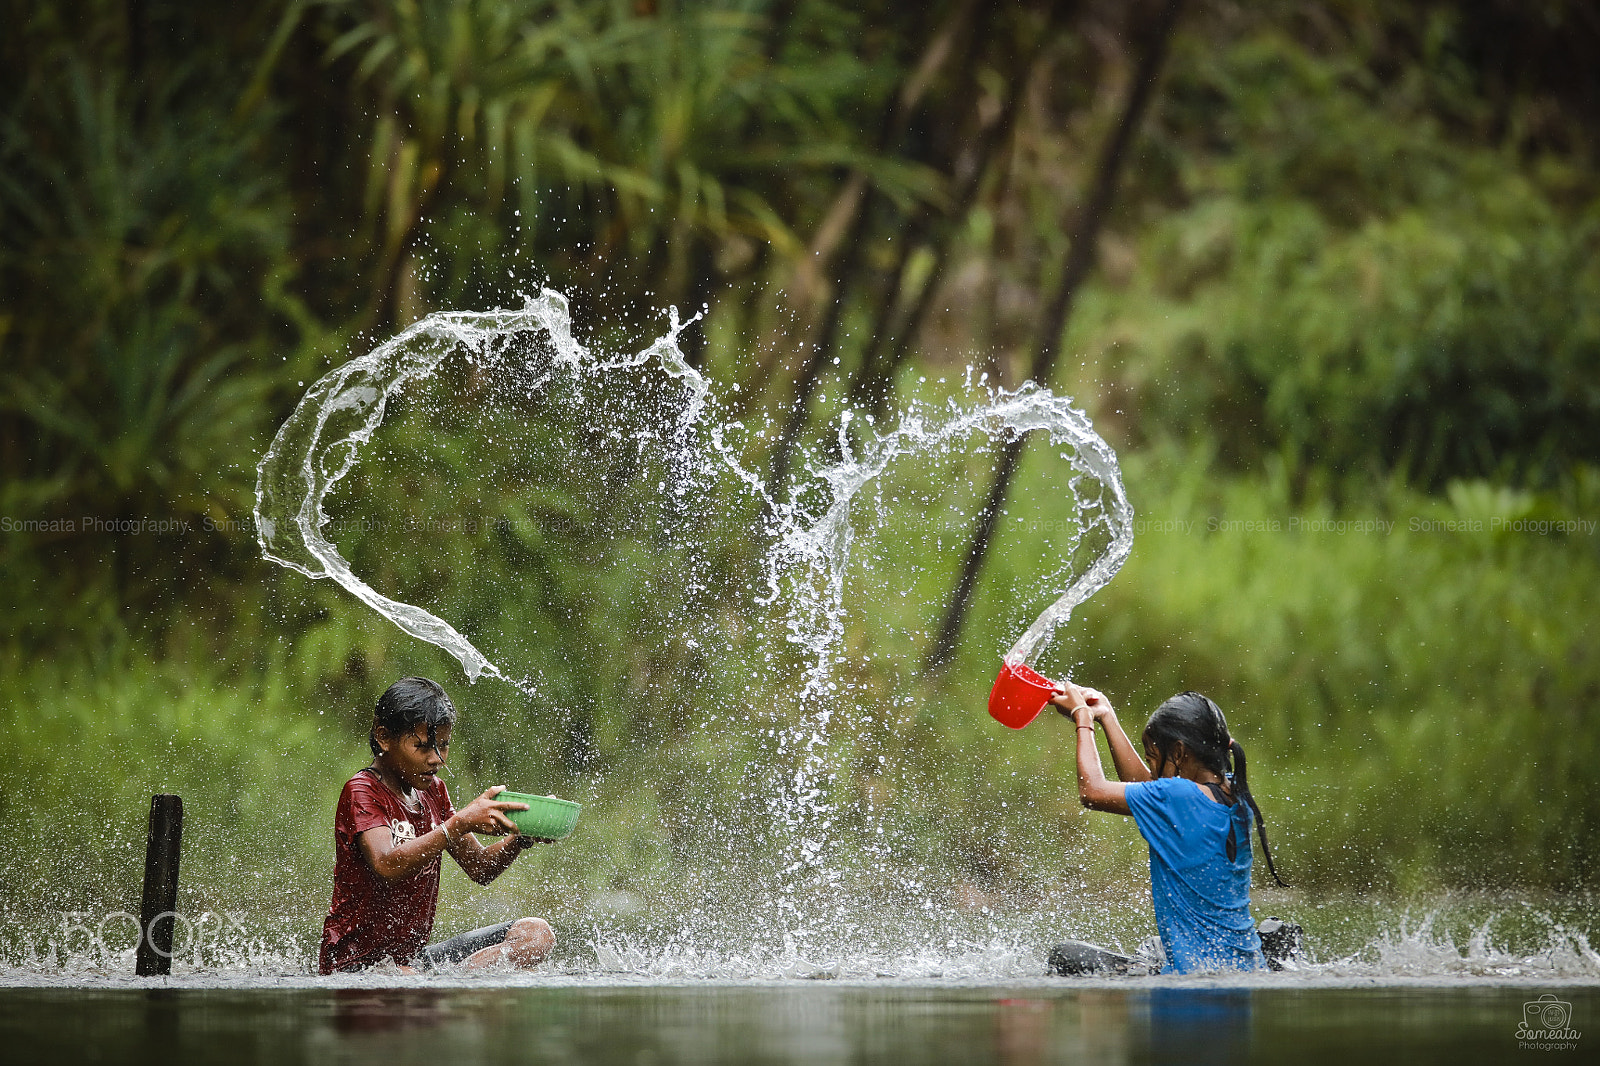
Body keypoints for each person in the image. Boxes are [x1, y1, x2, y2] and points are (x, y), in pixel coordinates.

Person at [318, 676, 558, 974]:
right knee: (409, 979)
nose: (436, 759)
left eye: (443, 745)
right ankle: (447, 987)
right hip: (356, 964)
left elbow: (480, 867)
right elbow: (385, 865)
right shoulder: (362, 791)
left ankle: (450, 983)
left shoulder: (433, 791)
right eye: (421, 746)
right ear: (383, 737)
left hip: (412, 962)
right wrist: (457, 825)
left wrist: (521, 837)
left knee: (536, 936)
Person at [1046, 684, 1289, 976]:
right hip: (1246, 967)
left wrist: (1082, 718)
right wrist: (1107, 716)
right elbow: (1151, 787)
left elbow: (1092, 792)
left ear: (1179, 752)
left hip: (1194, 980)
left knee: (1065, 956)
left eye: (1152, 758)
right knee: (1153, 946)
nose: (1151, 770)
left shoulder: (1178, 796)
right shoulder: (1234, 794)